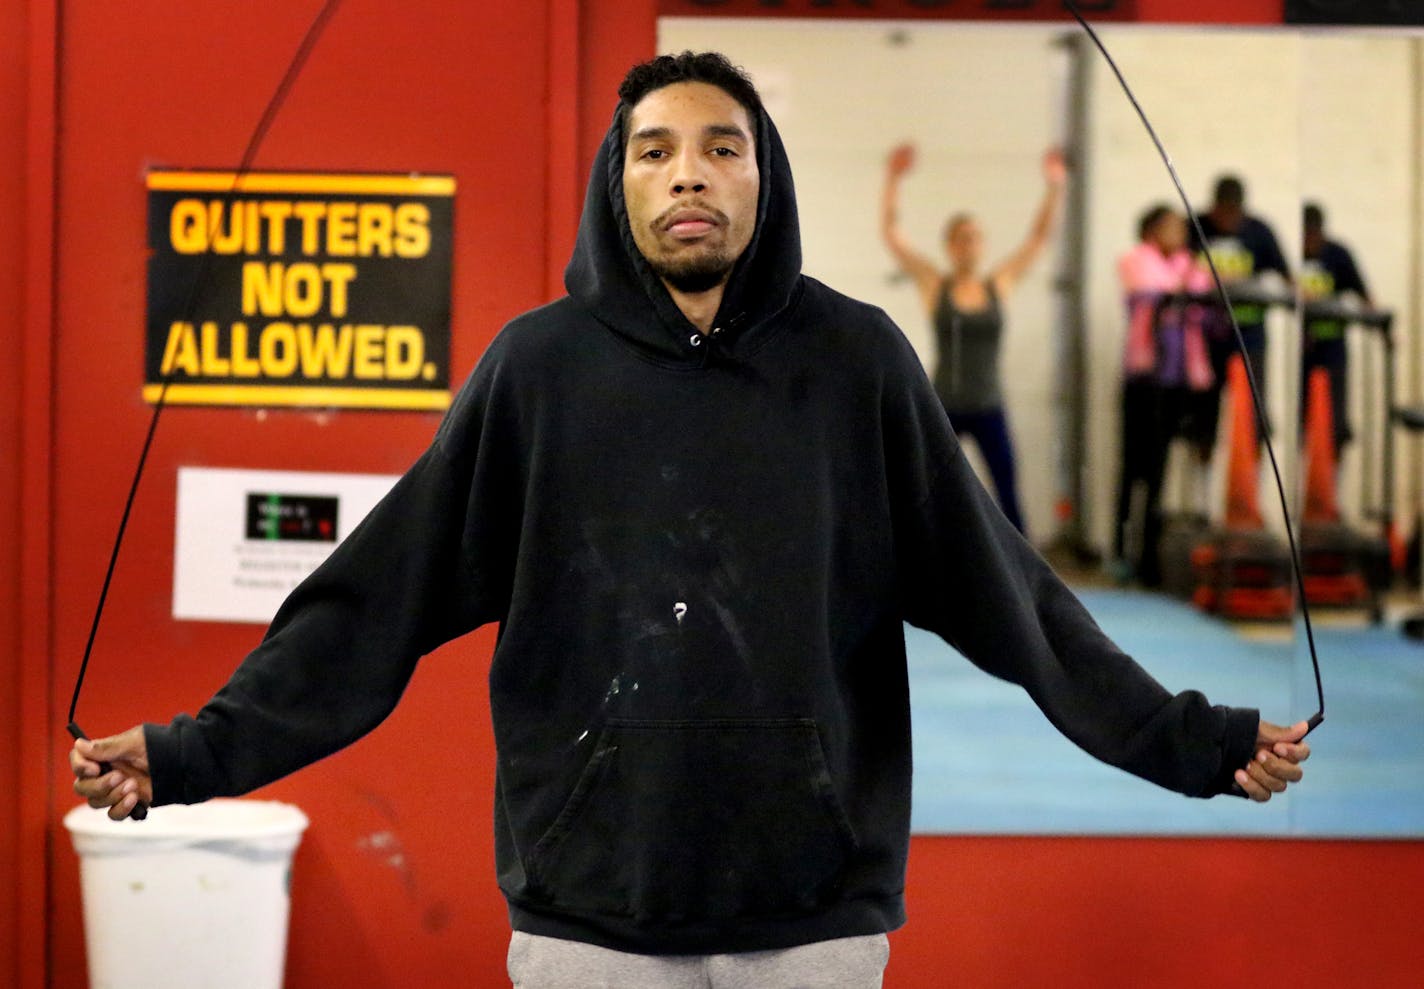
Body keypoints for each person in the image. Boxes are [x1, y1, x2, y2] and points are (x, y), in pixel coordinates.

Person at [72, 52, 1310, 988]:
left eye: (721, 149)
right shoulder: (536, 371)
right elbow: (369, 603)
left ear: (761, 176)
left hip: (813, 922)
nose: (689, 175)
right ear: (620, 180)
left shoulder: (858, 364)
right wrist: (190, 754)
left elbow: (1015, 600)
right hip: (586, 920)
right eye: (656, 150)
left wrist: (1188, 738)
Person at [879, 141, 1066, 535]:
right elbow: (893, 235)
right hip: (944, 403)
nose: (969, 245)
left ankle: (1021, 572)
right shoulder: (936, 285)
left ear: (983, 245)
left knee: (1006, 490)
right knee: (921, 489)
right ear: (950, 246)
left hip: (988, 403)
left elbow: (1038, 239)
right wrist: (893, 178)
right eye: (962, 238)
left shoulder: (999, 284)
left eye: (976, 238)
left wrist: (1055, 187)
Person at [1112, 204, 1213, 587]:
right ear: (1152, 231)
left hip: (1177, 381)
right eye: (1172, 227)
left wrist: (1189, 283)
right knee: (1131, 468)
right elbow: (1152, 292)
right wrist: (1184, 286)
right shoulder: (1136, 259)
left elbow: (1202, 299)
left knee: (1159, 469)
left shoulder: (1190, 265)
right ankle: (1124, 551)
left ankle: (1150, 558)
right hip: (1143, 380)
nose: (1181, 233)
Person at [1190, 174, 1291, 461]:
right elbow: (1177, 270)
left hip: (1250, 337)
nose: (1228, 220)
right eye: (1223, 212)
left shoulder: (1259, 231)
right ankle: (1203, 490)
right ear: (1214, 207)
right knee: (1203, 413)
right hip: (1206, 337)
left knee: (1253, 412)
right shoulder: (1196, 226)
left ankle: (1251, 491)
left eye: (1234, 213)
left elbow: (1285, 275)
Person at [1301, 201, 1372, 457]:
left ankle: (1334, 488)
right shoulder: (1293, 254)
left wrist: (1383, 329)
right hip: (1302, 352)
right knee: (1303, 419)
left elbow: (1364, 295)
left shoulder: (1338, 254)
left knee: (1337, 423)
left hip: (1333, 350)